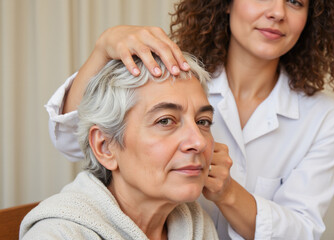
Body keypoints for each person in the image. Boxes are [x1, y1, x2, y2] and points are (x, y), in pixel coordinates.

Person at [46, 0, 334, 239]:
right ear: (225, 3)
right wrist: (103, 49)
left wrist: (228, 193)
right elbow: (76, 139)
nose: (278, 11)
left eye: (295, 0)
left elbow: (302, 231)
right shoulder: (178, 78)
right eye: (168, 120)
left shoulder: (322, 117)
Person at [20, 54, 219, 240]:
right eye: (165, 121)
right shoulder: (57, 234)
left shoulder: (197, 226)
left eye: (203, 121)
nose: (199, 142)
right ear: (105, 146)